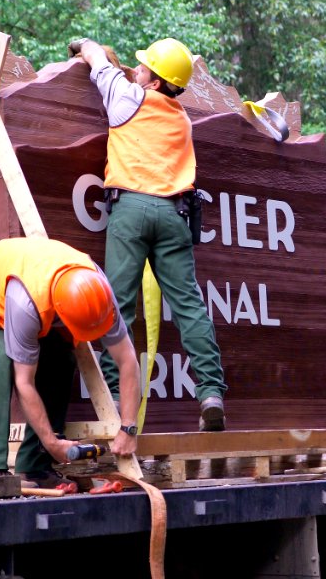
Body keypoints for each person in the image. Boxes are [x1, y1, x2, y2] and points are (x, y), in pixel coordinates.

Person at [69, 36, 227, 431]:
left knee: (117, 305)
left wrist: (84, 44)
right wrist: (130, 71)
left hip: (132, 210)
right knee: (189, 305)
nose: (134, 71)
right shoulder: (182, 119)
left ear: (154, 82)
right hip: (175, 213)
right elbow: (135, 79)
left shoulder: (125, 99)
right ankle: (210, 392)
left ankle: (112, 399)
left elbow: (95, 60)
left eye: (142, 68)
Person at [0, 236, 141, 488]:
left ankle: (34, 466)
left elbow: (127, 362)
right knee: (1, 358)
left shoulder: (100, 294)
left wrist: (128, 429)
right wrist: (52, 442)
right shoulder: (26, 306)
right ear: (61, 310)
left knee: (62, 358)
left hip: (32, 283)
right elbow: (24, 382)